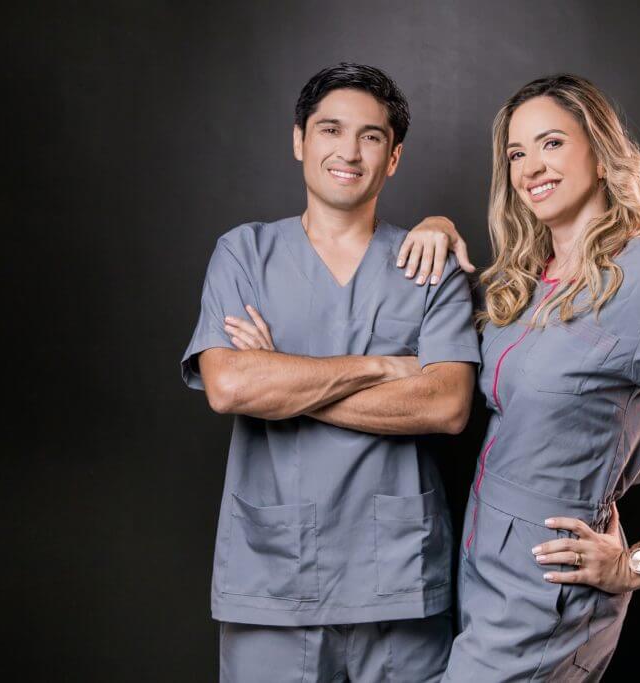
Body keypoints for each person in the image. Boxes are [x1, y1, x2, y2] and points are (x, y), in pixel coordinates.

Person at [398, 73, 640, 681]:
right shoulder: (526, 277)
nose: (529, 167)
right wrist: (438, 227)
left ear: (599, 154)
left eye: (551, 144)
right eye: (516, 153)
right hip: (478, 564)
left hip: (548, 590)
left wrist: (636, 565)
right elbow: (441, 363)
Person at [178, 63, 482, 683]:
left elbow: (446, 405)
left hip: (396, 580)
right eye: (330, 130)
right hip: (274, 577)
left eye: (371, 136)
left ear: (393, 157)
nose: (349, 151)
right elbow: (229, 386)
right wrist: (382, 368)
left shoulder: (430, 264)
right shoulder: (244, 253)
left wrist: (282, 381)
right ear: (299, 140)